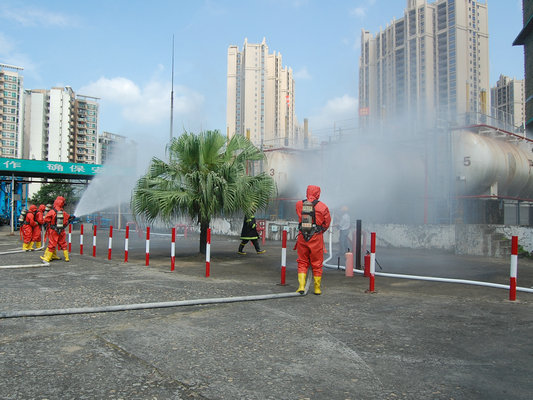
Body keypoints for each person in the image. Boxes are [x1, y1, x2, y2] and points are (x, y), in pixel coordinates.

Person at [295, 185, 331, 295]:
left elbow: (299, 215)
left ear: (307, 192)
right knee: (317, 263)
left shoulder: (299, 204)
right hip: (316, 237)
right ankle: (317, 288)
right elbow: (327, 223)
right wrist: (319, 232)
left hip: (302, 236)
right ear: (318, 193)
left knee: (302, 261)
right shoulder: (323, 207)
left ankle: (301, 286)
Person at [41, 196, 73, 262]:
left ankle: (47, 258)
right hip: (61, 230)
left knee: (52, 244)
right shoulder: (63, 212)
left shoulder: (52, 211)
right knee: (63, 243)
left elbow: (46, 219)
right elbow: (68, 218)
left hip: (53, 230)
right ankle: (67, 258)